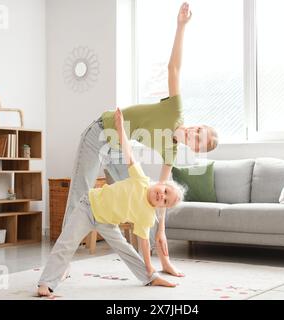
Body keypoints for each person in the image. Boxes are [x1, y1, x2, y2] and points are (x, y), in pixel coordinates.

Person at [63, 2, 218, 278]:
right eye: (198, 131)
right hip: (100, 132)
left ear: (195, 150)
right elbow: (174, 68)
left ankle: (151, 269)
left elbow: (161, 193)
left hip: (117, 147)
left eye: (198, 141)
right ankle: (63, 264)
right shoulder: (175, 109)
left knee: (142, 202)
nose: (194, 135)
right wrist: (181, 26)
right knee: (79, 196)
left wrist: (161, 231)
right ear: (195, 126)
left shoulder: (171, 152)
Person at [38, 109, 186, 296]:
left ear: (162, 207)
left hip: (107, 222)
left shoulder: (147, 216)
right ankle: (46, 284)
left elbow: (144, 244)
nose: (161, 196)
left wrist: (150, 268)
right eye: (165, 191)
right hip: (88, 207)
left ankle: (150, 277)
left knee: (126, 248)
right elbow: (129, 153)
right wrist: (120, 129)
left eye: (165, 201)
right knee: (66, 243)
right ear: (160, 183)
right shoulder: (141, 180)